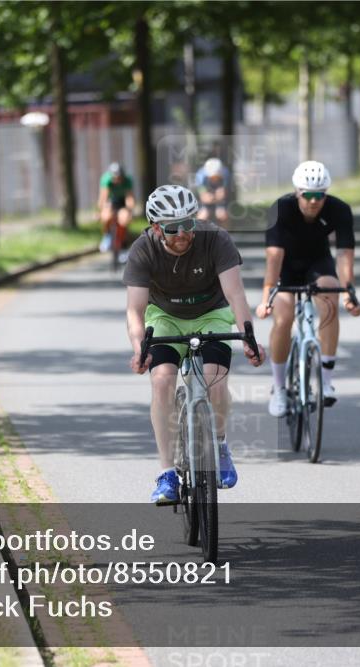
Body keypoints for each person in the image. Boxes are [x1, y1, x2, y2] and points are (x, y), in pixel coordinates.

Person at [124, 185, 265, 505]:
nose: (184, 234)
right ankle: (167, 474)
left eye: (189, 224)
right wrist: (138, 348)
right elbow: (135, 309)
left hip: (211, 314)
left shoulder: (216, 239)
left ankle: (218, 444)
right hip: (165, 317)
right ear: (156, 227)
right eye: (174, 228)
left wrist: (248, 337)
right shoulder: (143, 249)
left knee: (215, 380)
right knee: (161, 382)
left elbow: (235, 295)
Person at [255, 161, 360, 417]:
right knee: (283, 317)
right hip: (286, 265)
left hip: (318, 263)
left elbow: (345, 253)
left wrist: (349, 291)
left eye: (320, 195)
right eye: (308, 195)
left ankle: (326, 381)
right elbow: (274, 257)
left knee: (330, 297)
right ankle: (279, 388)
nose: (314, 201)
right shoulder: (281, 208)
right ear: (297, 192)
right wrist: (266, 297)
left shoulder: (339, 209)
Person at [98, 162, 136, 261]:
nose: (117, 180)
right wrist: (101, 210)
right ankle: (107, 236)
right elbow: (103, 197)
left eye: (119, 178)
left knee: (124, 219)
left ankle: (123, 245)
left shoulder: (127, 180)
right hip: (110, 201)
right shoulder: (106, 179)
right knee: (106, 216)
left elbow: (129, 197)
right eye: (115, 178)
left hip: (122, 202)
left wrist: (130, 210)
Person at [195, 157, 231, 227]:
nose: (214, 179)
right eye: (212, 177)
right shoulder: (200, 176)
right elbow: (204, 197)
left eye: (216, 177)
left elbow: (223, 194)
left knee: (222, 215)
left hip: (219, 200)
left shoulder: (226, 173)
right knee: (202, 216)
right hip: (207, 198)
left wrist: (217, 197)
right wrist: (212, 197)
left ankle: (226, 235)